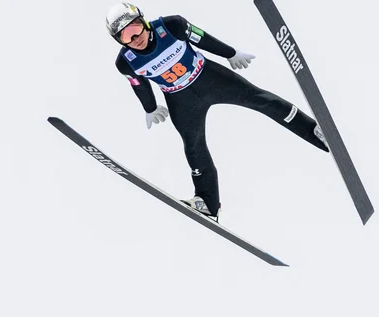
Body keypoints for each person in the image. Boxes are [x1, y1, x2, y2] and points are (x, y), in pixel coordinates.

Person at [106, 2, 329, 222]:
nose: (135, 39)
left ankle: (316, 132)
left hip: (211, 79)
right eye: (125, 37)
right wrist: (150, 108)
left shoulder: (172, 26)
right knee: (193, 147)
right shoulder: (126, 62)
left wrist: (229, 53)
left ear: (143, 21)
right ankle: (207, 203)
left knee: (261, 100)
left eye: (134, 29)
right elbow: (139, 84)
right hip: (181, 100)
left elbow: (201, 38)